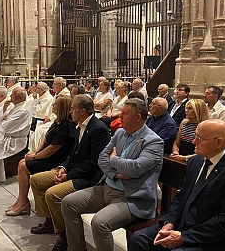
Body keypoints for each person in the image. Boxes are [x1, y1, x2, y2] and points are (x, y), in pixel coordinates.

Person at [129, 119, 225, 251]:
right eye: (195, 136)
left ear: (218, 142)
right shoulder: (196, 161)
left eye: (200, 138)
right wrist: (169, 222)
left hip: (211, 239)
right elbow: (181, 196)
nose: (194, 141)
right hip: (182, 226)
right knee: (140, 239)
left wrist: (184, 237)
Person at [62, 98, 164, 251]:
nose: (119, 117)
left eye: (124, 114)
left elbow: (134, 168)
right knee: (68, 203)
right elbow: (101, 159)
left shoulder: (153, 142)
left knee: (99, 223)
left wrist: (114, 159)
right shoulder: (121, 133)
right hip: (107, 187)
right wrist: (115, 174)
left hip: (131, 197)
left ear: (137, 117)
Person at [29, 95, 110, 251]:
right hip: (72, 170)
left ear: (83, 111)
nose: (70, 111)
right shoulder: (78, 125)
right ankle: (50, 222)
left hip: (87, 177)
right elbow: (71, 155)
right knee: (37, 181)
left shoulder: (98, 129)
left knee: (52, 194)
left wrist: (68, 175)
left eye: (73, 108)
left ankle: (64, 234)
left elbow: (94, 163)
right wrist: (63, 168)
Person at [5, 96, 76, 216]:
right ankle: (21, 200)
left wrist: (36, 157)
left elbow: (53, 148)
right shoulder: (57, 122)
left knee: (23, 166)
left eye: (55, 104)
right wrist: (36, 152)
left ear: (62, 107)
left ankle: (23, 202)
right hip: (50, 156)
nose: (53, 105)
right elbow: (46, 138)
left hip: (56, 160)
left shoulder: (66, 125)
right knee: (22, 162)